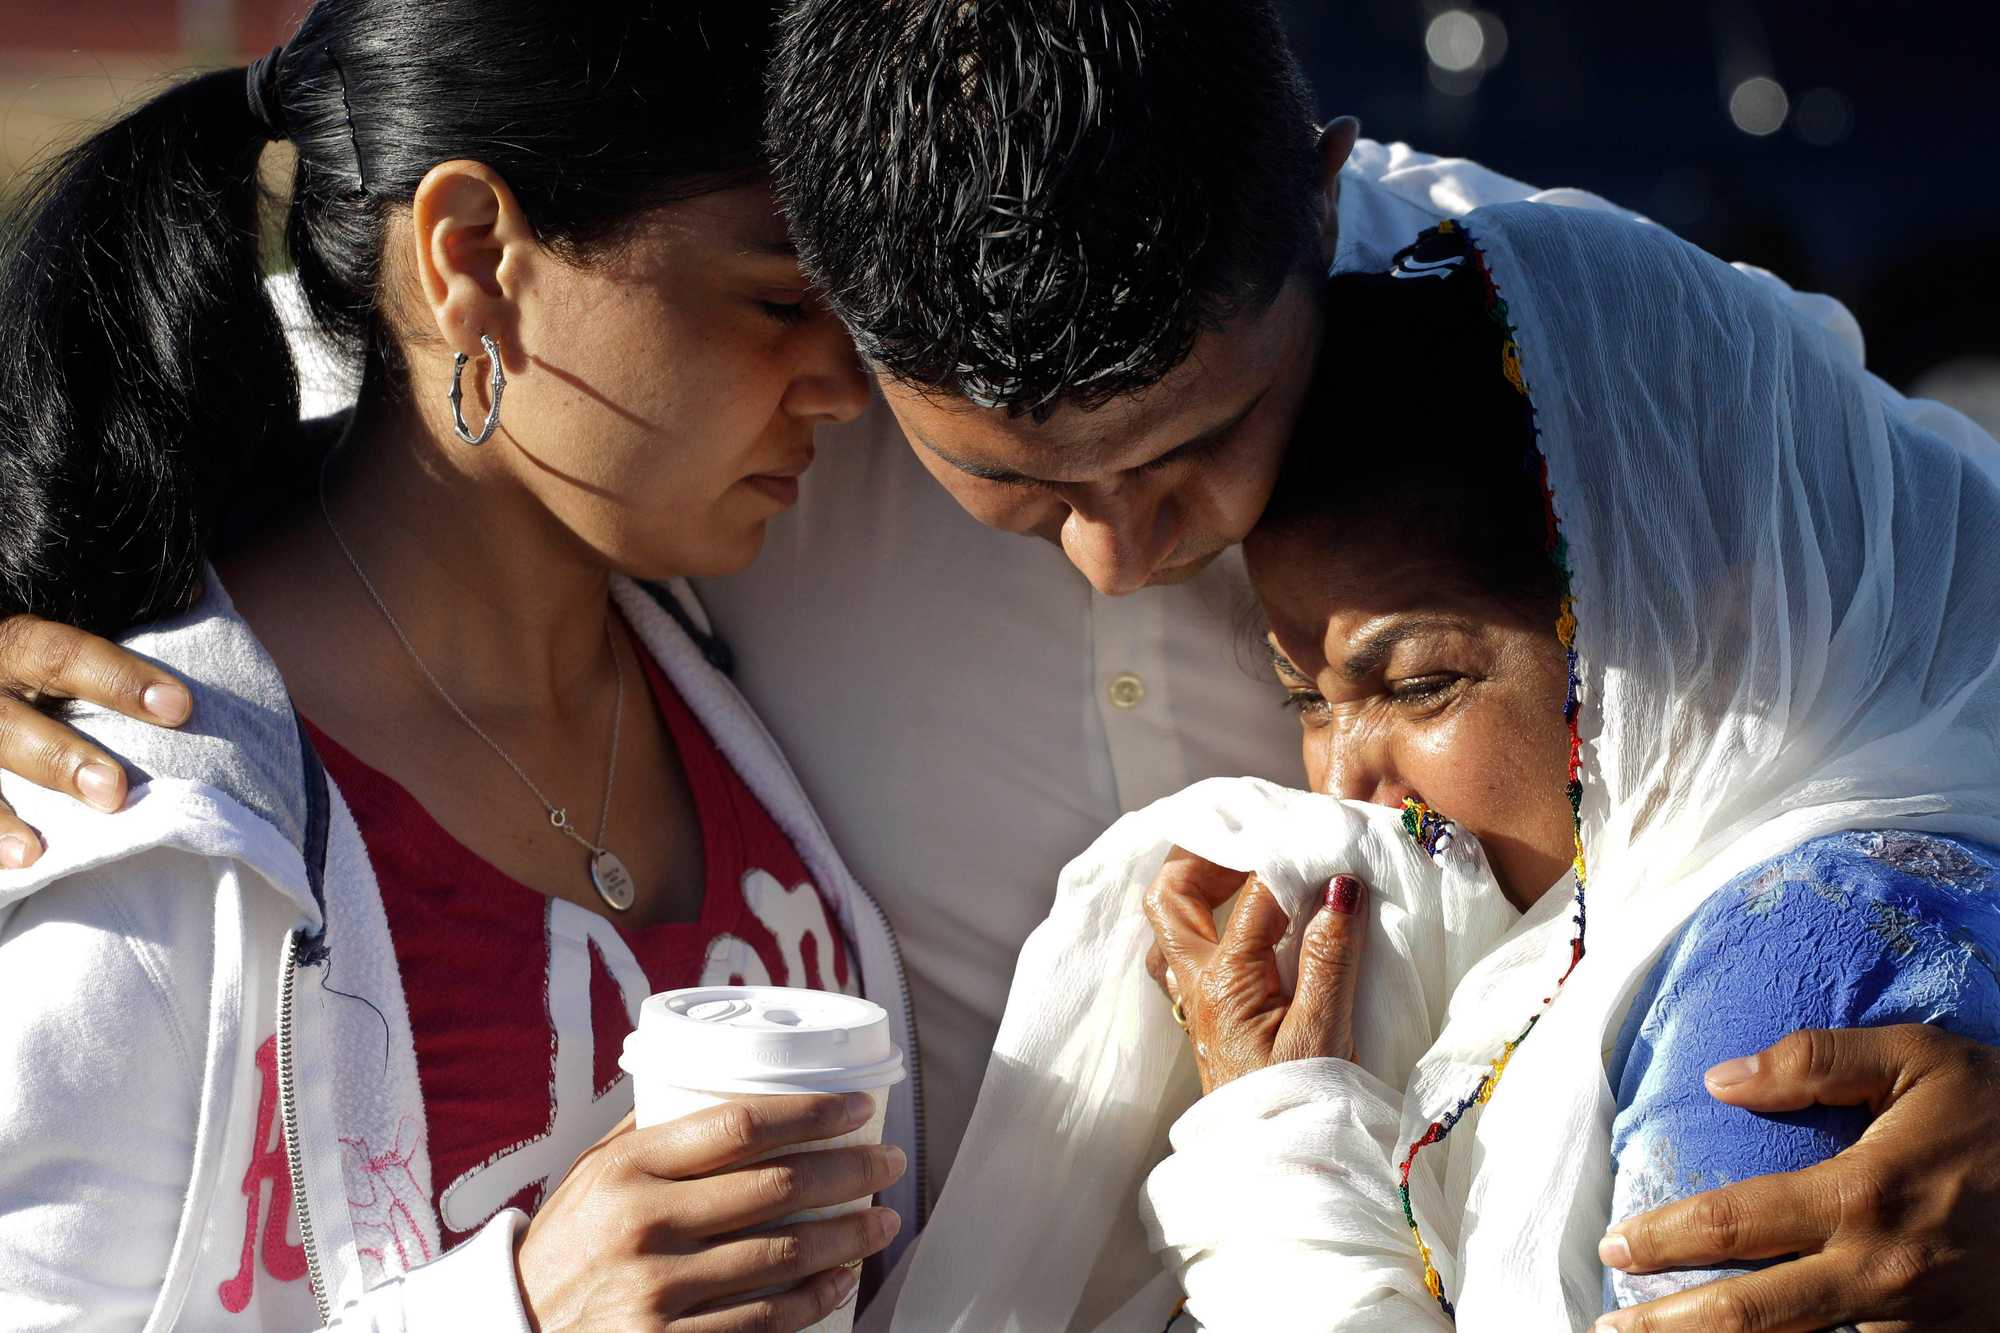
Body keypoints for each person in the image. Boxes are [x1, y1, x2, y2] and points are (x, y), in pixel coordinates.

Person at [6, 1, 2000, 1325]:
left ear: (1317, 221)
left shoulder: (1538, 366)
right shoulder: (759, 433)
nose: (1132, 549)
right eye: (1013, 486)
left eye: (1206, 448)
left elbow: (1947, 601)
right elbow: (403, 319)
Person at [902, 206, 2000, 1330]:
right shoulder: (1654, 914)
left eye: (1419, 685)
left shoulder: (1797, 984)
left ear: (1683, 625)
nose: (1342, 787)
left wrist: (1277, 1152)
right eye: (1304, 701)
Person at [0, 4, 915, 1330]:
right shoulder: (122, 823)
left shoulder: (750, 633)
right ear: (473, 251)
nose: (844, 383)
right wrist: (522, 1310)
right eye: (778, 299)